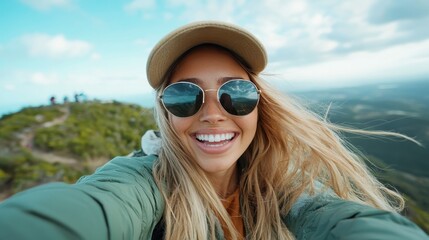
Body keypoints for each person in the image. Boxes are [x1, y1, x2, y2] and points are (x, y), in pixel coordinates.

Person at [0, 21, 427, 240]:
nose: (212, 113)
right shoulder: (142, 184)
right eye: (184, 96)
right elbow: (88, 210)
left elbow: (345, 222)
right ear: (165, 113)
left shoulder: (288, 185)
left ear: (260, 104)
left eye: (236, 93)